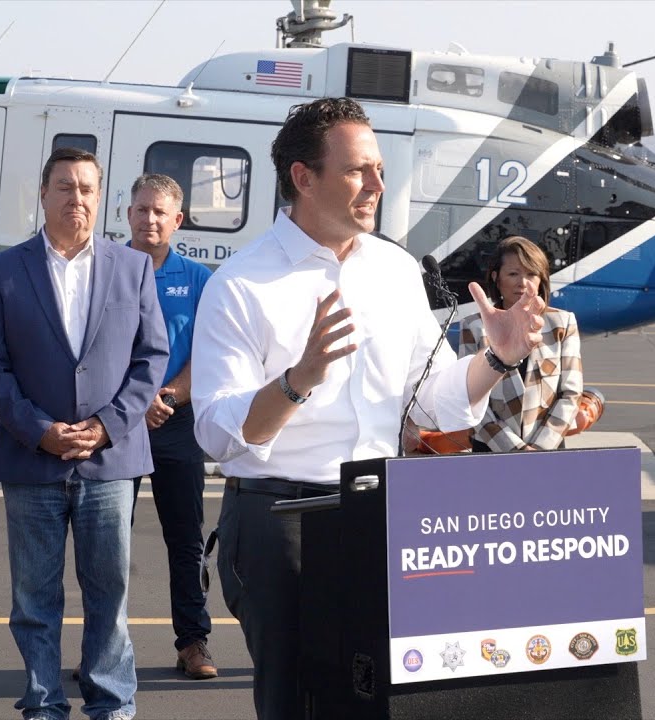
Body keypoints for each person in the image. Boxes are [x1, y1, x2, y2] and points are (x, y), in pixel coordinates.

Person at [191, 97, 545, 719]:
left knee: (381, 701)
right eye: (358, 170)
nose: (378, 185)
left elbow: (430, 400)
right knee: (298, 703)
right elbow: (218, 434)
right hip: (282, 520)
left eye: (379, 169)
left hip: (378, 511)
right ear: (304, 177)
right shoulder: (241, 284)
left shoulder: (395, 270)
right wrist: (298, 381)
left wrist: (497, 358)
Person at [0, 148, 168, 720]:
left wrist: (106, 426)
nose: (75, 198)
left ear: (99, 197)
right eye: (64, 186)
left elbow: (151, 359)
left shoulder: (133, 268)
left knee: (110, 594)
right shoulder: (4, 271)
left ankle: (112, 704)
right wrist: (39, 430)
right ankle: (44, 704)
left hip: (110, 462)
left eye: (86, 188)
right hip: (33, 461)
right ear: (43, 193)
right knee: (34, 599)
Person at [124, 173, 217, 679]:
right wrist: (134, 404)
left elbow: (209, 353)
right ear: (128, 214)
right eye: (142, 209)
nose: (150, 219)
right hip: (116, 421)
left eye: (160, 211)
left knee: (185, 539)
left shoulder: (199, 280)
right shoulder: (104, 269)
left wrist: (166, 397)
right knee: (107, 541)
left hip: (177, 422)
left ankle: (193, 642)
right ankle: (104, 646)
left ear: (177, 220)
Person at [459, 236, 583, 452]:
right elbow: (469, 396)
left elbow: (571, 393)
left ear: (541, 279)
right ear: (496, 278)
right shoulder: (474, 326)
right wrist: (514, 449)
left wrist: (539, 448)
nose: (523, 283)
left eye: (531, 274)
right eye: (513, 274)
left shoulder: (562, 323)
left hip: (547, 450)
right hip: (492, 449)